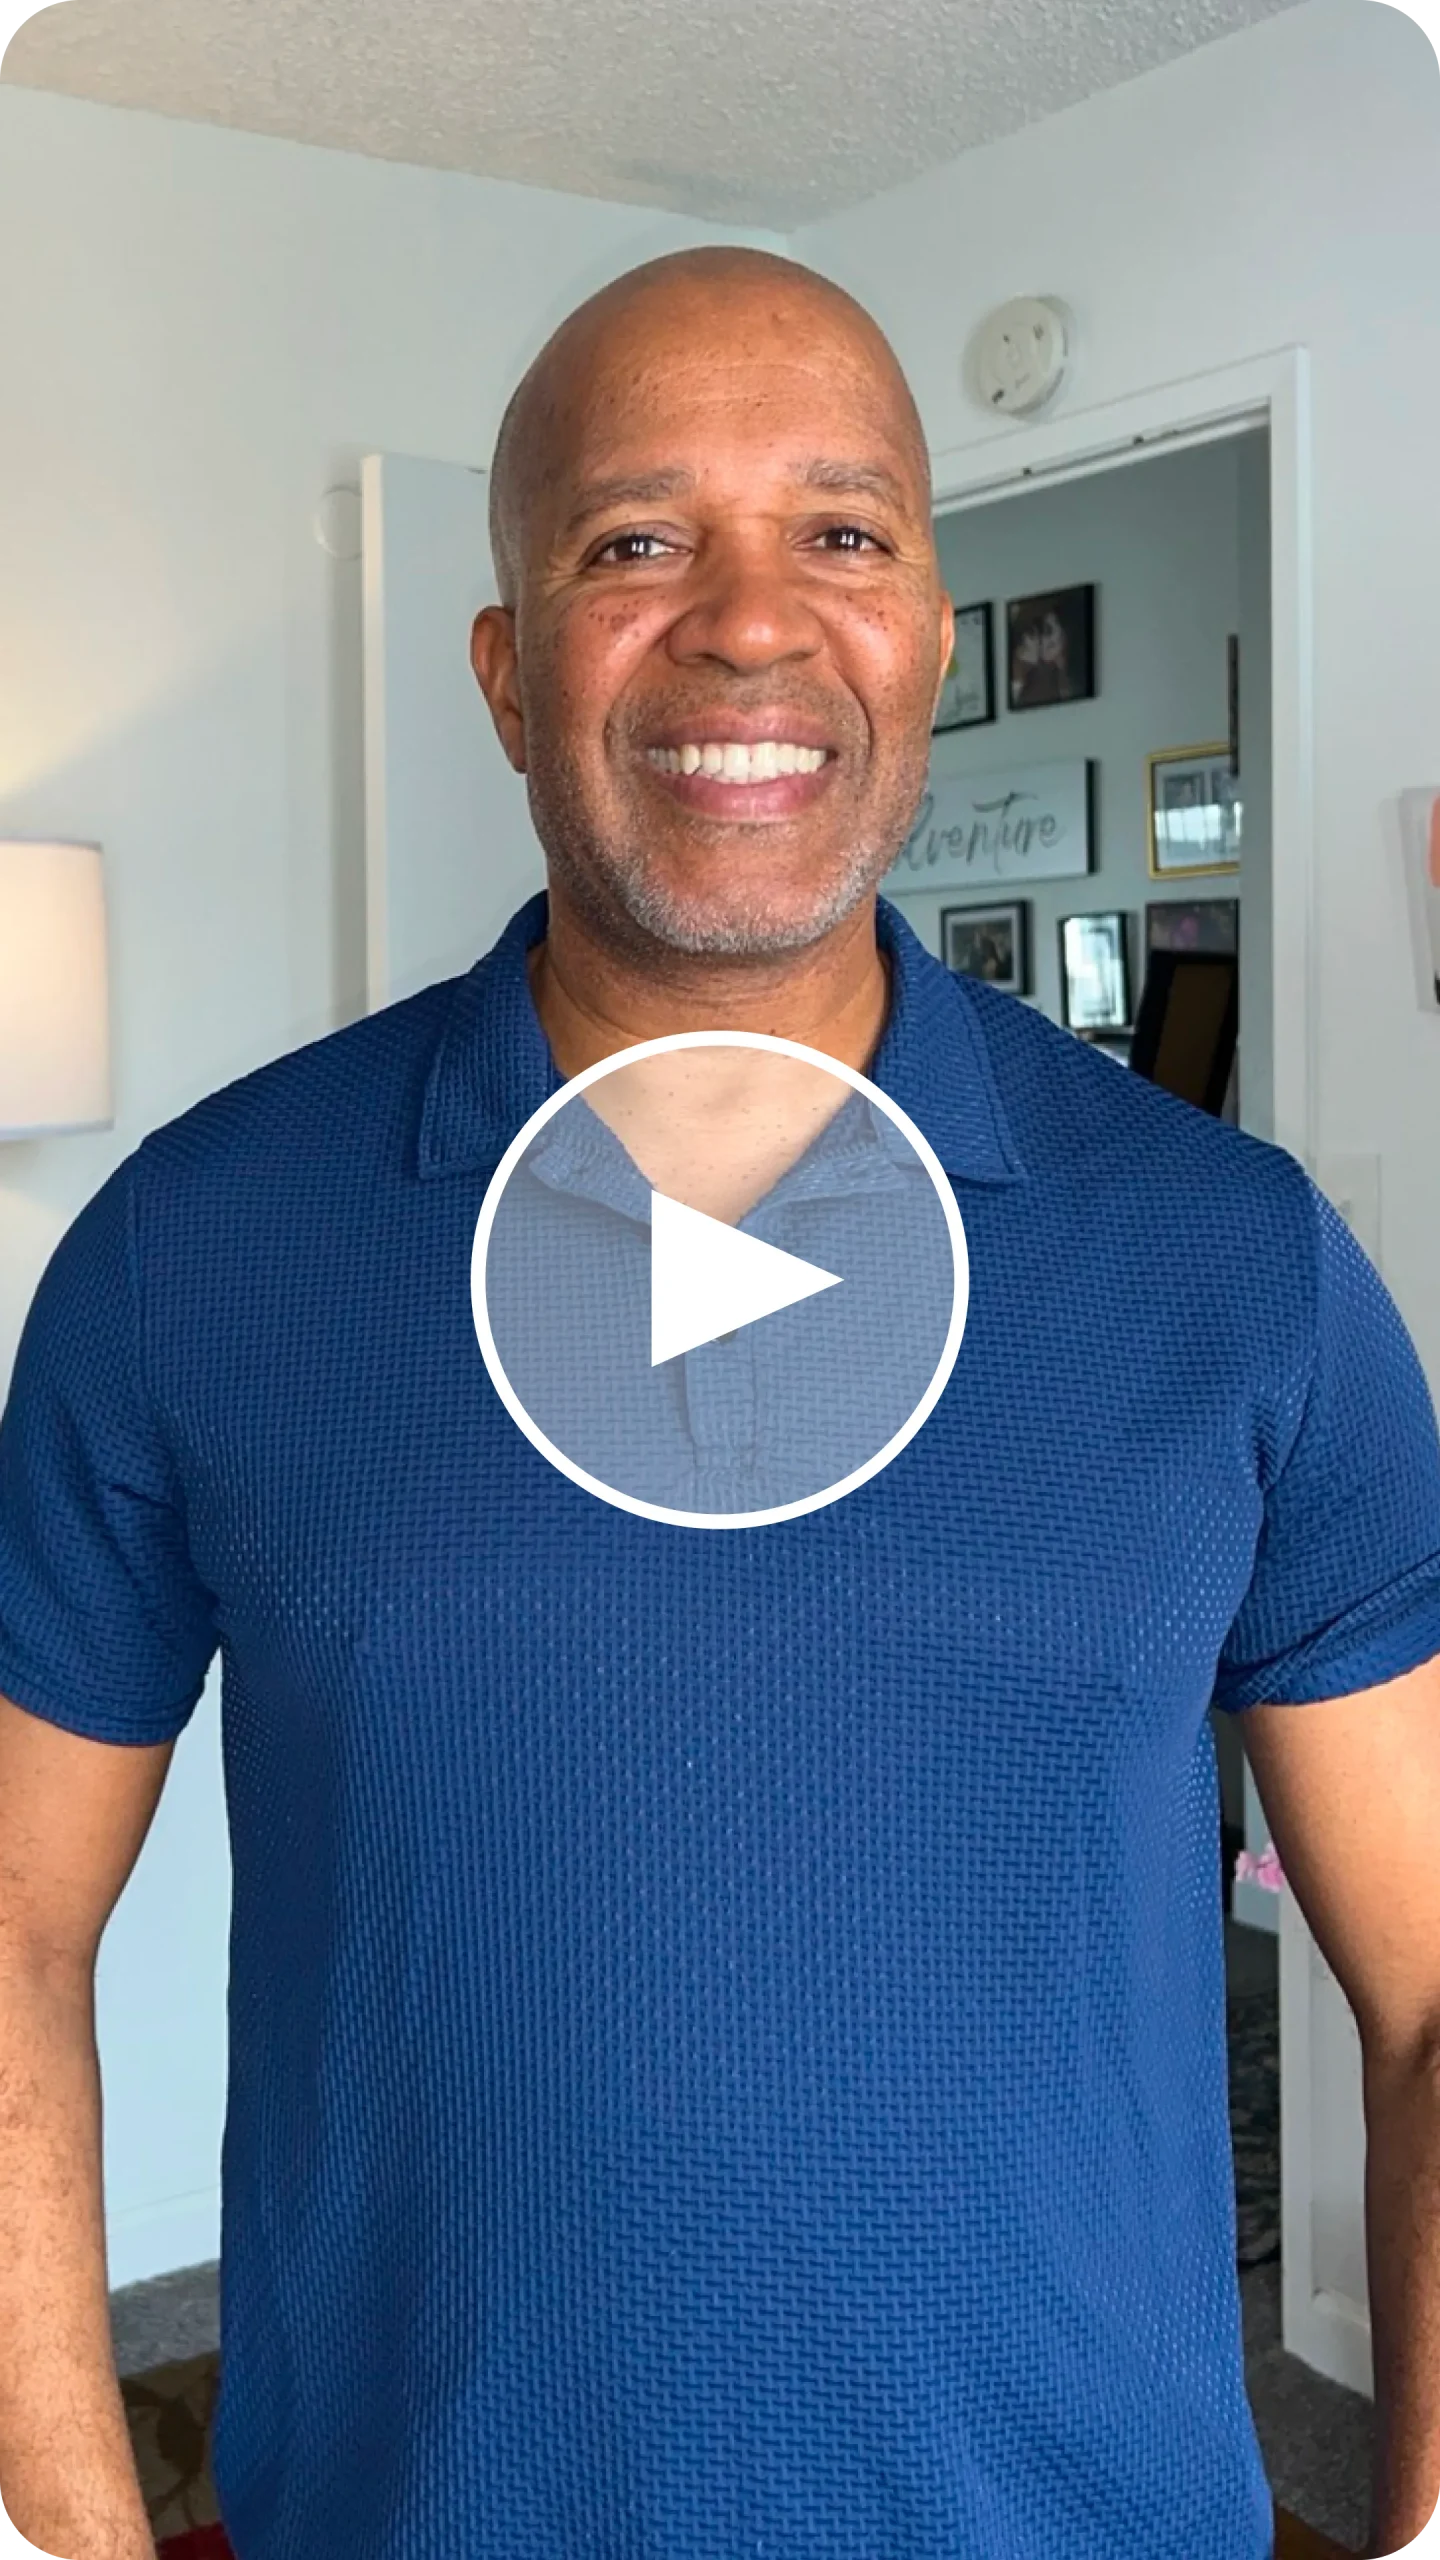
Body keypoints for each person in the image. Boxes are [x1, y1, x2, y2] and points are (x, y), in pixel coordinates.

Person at [1, 244, 1438, 2560]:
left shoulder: (1236, 1264)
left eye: (841, 532)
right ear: (506, 670)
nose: (751, 621)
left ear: (935, 638)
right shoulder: (197, 1250)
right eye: (635, 540)